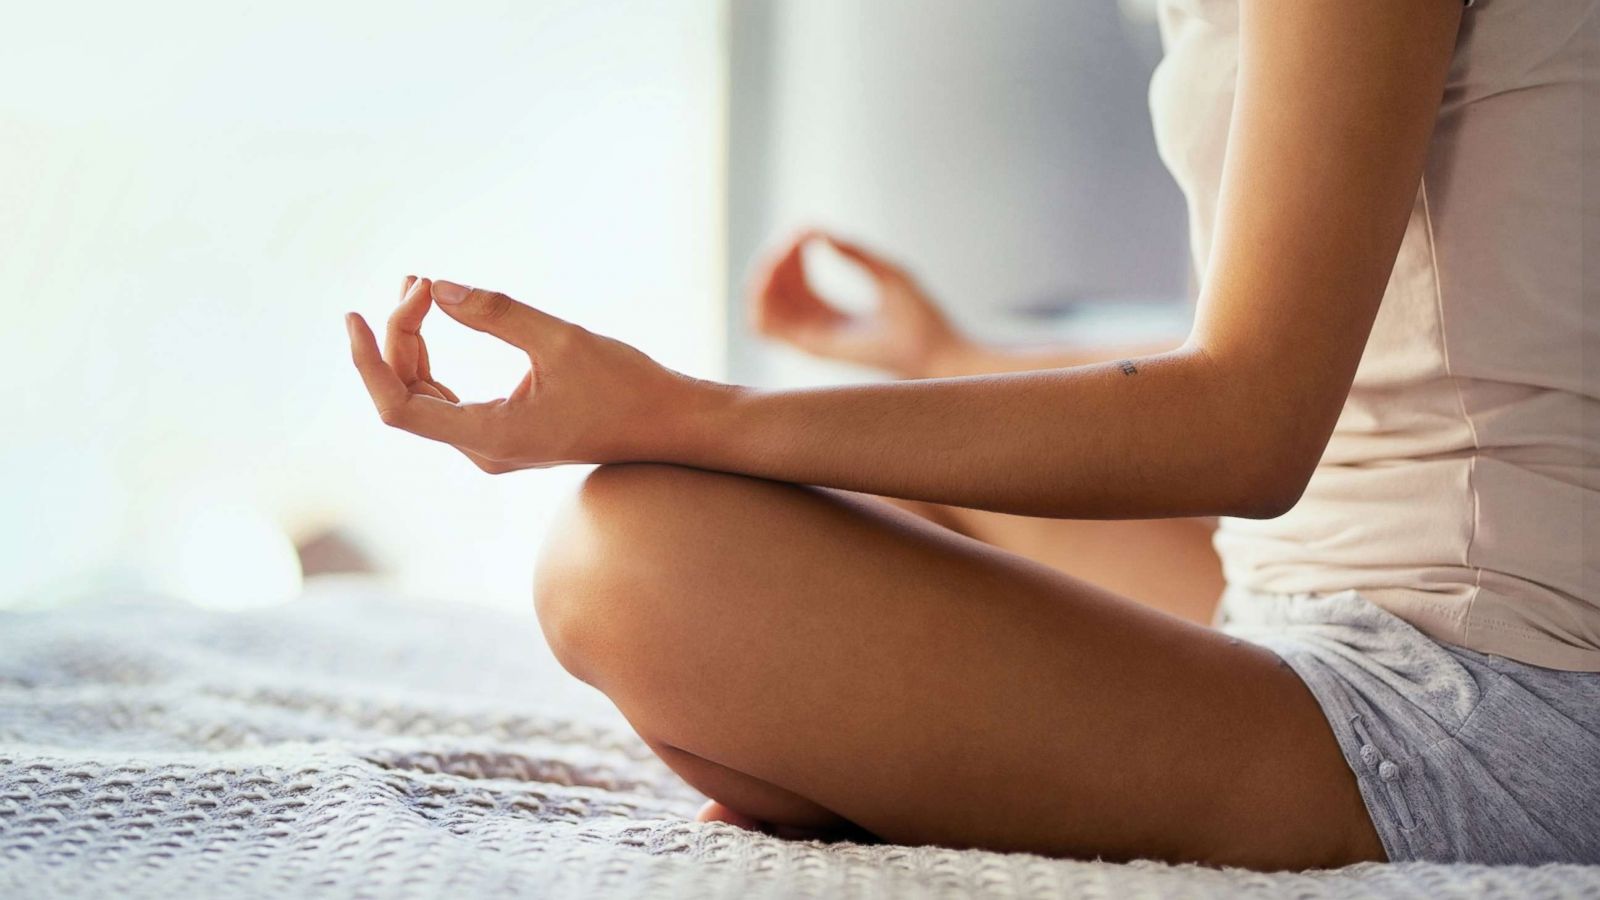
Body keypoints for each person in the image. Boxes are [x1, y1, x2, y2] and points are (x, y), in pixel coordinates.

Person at [345, 0, 1599, 870]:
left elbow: (1248, 428)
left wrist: (683, 411)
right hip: (1301, 588)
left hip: (1487, 698)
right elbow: (1363, 350)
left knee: (625, 549)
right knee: (901, 506)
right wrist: (945, 365)